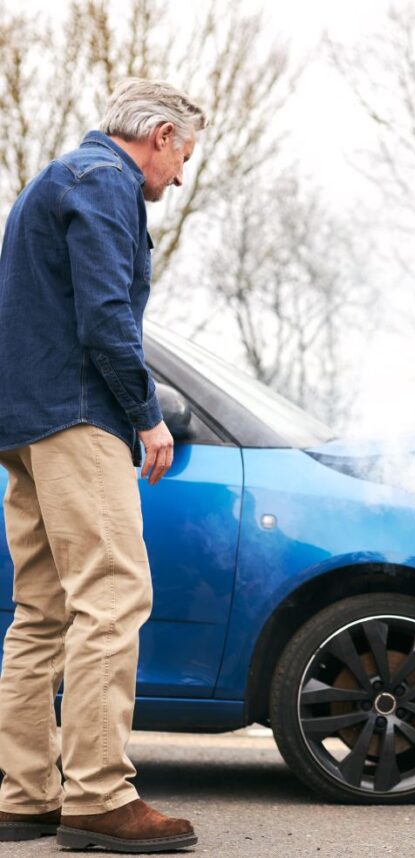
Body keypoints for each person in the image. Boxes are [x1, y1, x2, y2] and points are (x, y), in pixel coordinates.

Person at [0, 79, 206, 851]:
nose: (179, 174)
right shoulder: (106, 181)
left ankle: (24, 795)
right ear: (156, 134)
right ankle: (97, 797)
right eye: (182, 155)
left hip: (21, 423)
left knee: (41, 613)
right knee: (114, 596)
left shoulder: (51, 181)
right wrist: (148, 416)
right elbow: (105, 313)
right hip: (79, 416)